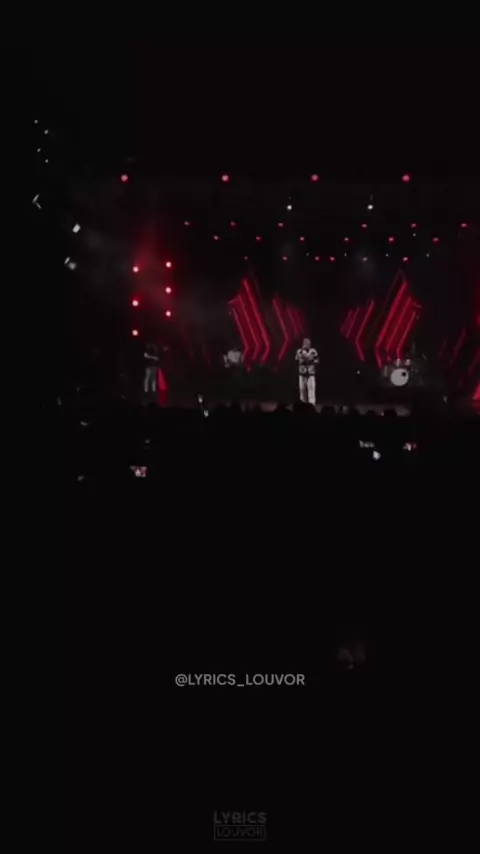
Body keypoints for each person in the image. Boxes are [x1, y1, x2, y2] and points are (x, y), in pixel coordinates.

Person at [295, 338, 319, 405]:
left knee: (311, 390)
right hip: (302, 373)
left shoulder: (313, 351)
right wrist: (304, 358)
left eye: (307, 343)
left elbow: (317, 360)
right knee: (302, 390)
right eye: (305, 343)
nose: (306, 344)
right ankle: (303, 404)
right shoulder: (299, 351)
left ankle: (312, 405)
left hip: (311, 374)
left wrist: (312, 360)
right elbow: (297, 360)